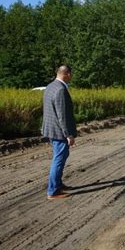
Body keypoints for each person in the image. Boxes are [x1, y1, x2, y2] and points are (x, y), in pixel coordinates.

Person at [42, 65, 77, 200]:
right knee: (59, 159)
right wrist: (68, 134)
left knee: (60, 157)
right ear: (66, 74)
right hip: (58, 131)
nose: (71, 77)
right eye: (71, 74)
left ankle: (58, 184)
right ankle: (53, 191)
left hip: (51, 128)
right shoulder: (61, 90)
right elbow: (62, 115)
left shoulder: (50, 86)